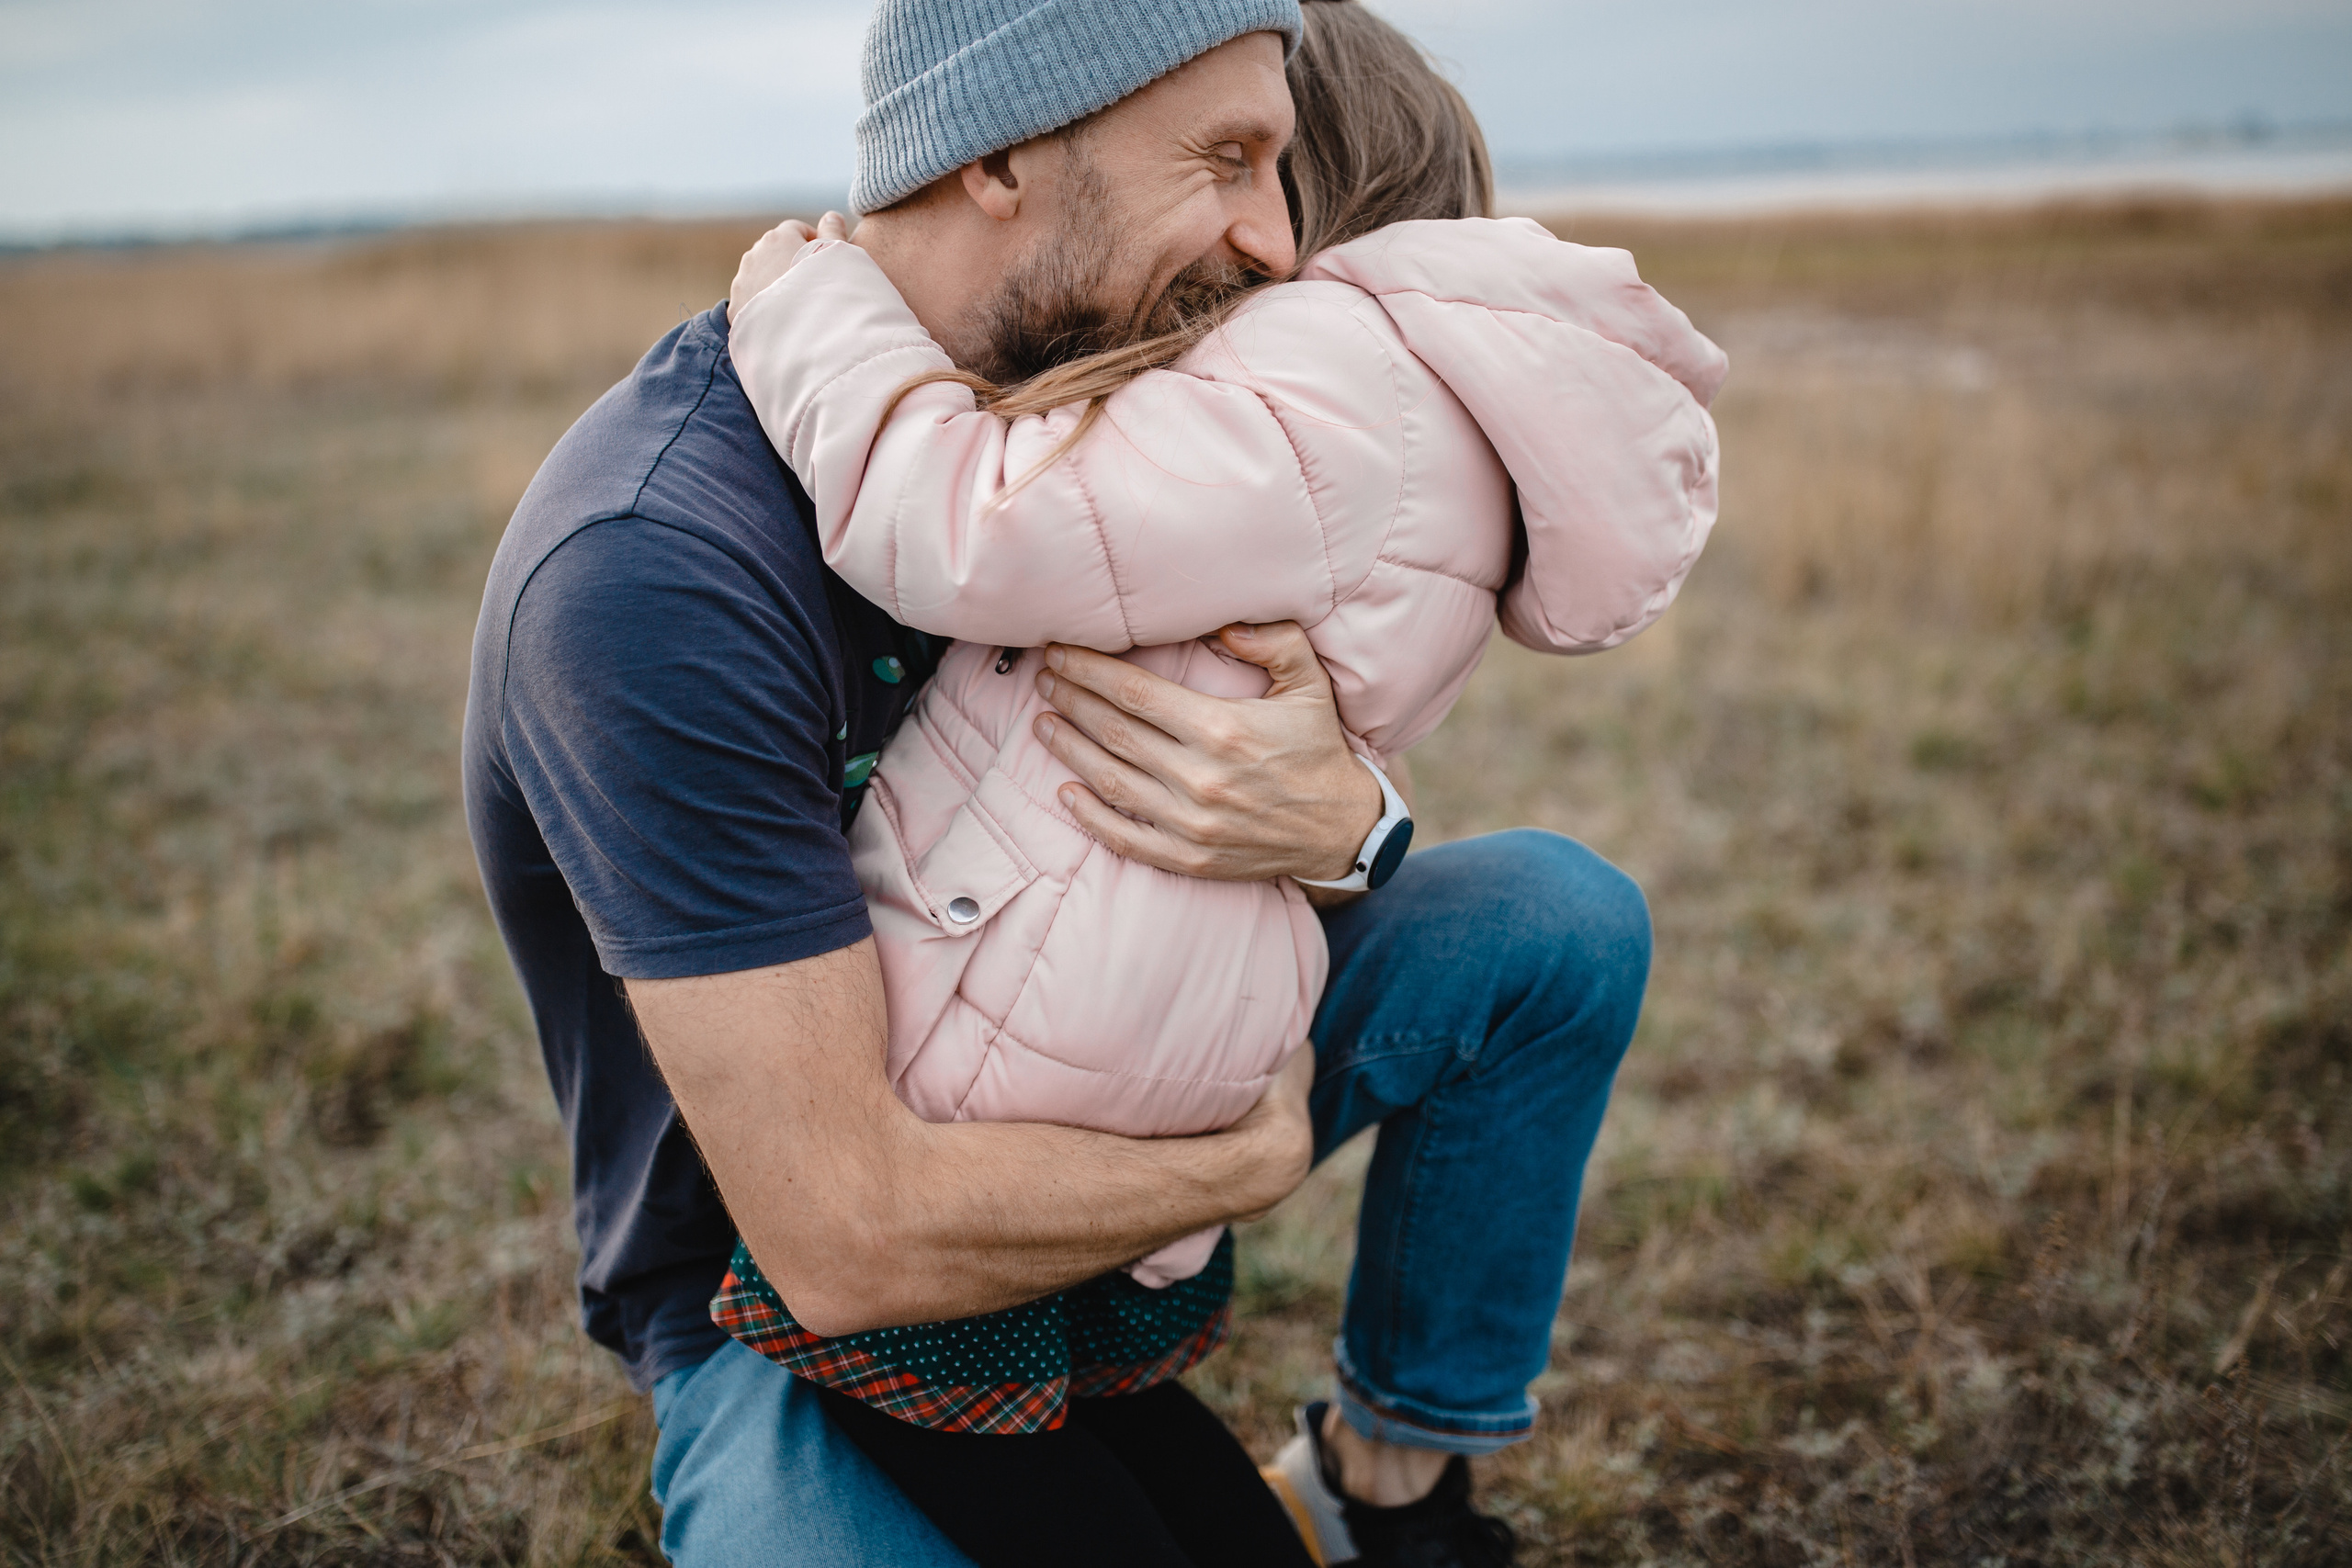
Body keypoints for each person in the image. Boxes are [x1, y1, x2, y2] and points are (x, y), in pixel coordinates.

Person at [460, 2, 1664, 1563]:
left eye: (1284, 168)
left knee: (1554, 923)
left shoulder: (1119, 425)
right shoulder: (657, 571)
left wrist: (1346, 827)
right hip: (795, 1291)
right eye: (1226, 161)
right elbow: (849, 1232)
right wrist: (1240, 1163)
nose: (1281, 245)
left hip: (1078, 1096)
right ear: (1006, 155)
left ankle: (1385, 1483)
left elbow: (1146, 883)